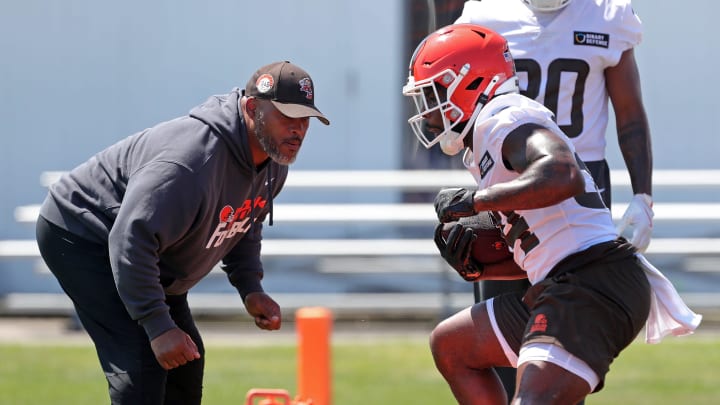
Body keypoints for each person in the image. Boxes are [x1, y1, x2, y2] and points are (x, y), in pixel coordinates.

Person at [402, 23, 700, 404]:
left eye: (435, 93)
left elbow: (562, 173)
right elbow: (546, 241)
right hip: (566, 280)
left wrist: (475, 202)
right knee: (452, 346)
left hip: (591, 282)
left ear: (470, 83)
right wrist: (482, 265)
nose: (428, 110)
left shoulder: (504, 117)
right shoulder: (489, 136)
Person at [35, 60, 329, 404]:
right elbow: (130, 239)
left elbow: (244, 219)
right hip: (84, 232)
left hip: (147, 248)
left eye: (305, 119)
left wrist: (250, 286)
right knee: (144, 365)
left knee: (186, 363)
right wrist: (158, 325)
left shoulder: (271, 162)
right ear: (252, 108)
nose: (298, 129)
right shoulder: (190, 162)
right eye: (287, 116)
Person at [453, 0, 654, 397]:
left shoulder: (607, 14)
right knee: (499, 338)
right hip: (511, 182)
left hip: (580, 185)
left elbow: (629, 113)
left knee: (567, 348)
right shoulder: (484, 16)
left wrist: (643, 195)